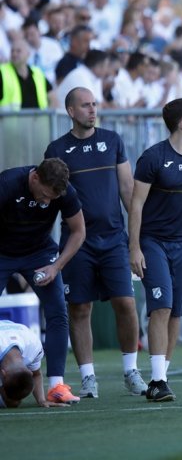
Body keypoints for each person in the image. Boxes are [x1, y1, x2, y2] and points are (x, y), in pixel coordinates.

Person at [44, 87, 149, 399]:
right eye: (85, 106)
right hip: (78, 243)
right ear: (71, 112)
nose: (92, 110)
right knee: (79, 308)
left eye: (94, 105)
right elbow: (51, 199)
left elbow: (128, 191)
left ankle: (131, 370)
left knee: (126, 304)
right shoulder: (57, 148)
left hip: (115, 239)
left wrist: (137, 241)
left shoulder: (112, 140)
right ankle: (88, 378)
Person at [128, 98, 182, 402]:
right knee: (161, 308)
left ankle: (158, 378)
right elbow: (136, 204)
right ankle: (159, 379)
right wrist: (134, 247)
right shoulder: (152, 158)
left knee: (177, 311)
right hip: (152, 242)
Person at [0, 158, 86, 404]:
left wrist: (56, 266)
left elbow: (79, 231)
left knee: (58, 310)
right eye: (45, 195)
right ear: (35, 177)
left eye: (52, 199)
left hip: (39, 253)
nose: (47, 202)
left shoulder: (65, 192)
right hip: (2, 252)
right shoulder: (8, 182)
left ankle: (57, 386)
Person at [0, 320, 67, 408]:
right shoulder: (33, 347)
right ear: (2, 373)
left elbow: (36, 374)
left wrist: (41, 400)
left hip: (16, 331)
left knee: (12, 403)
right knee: (7, 401)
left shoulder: (33, 347)